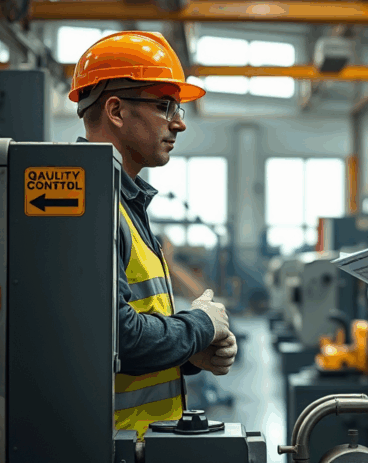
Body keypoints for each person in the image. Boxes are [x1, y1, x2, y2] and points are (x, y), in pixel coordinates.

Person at [68, 31, 238, 439]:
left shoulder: (124, 202)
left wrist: (188, 355)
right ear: (116, 110)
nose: (178, 122)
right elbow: (117, 336)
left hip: (136, 441)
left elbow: (114, 349)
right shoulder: (84, 205)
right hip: (103, 443)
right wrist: (200, 325)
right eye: (165, 106)